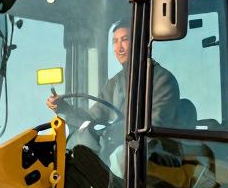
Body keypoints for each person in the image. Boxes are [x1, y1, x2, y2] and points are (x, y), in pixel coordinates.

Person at [46, 25, 180, 131]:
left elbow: (154, 128)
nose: (119, 48)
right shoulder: (114, 84)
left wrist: (114, 133)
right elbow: (91, 118)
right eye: (115, 42)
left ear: (139, 42)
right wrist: (63, 108)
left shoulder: (162, 80)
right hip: (121, 148)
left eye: (124, 40)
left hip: (147, 153)